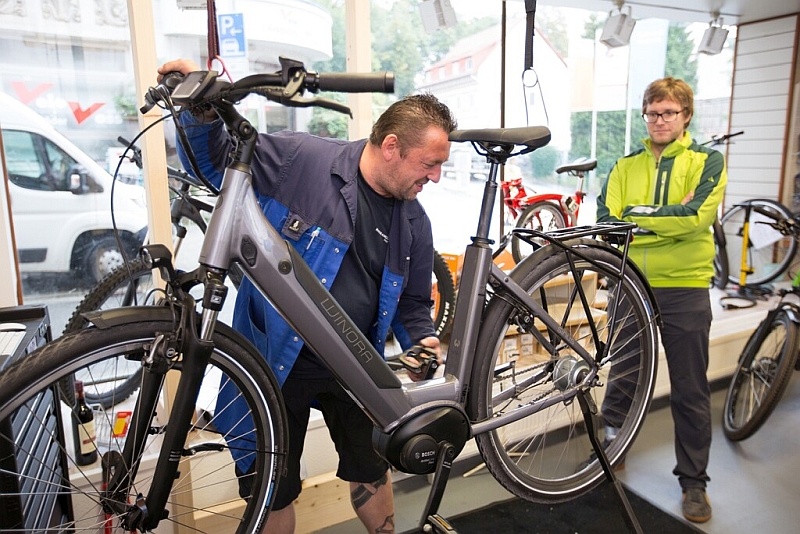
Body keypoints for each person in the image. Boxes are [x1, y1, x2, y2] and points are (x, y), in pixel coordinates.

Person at [157, 59, 457, 534]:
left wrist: (423, 342)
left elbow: (414, 305)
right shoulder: (301, 161)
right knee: (272, 490)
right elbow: (215, 166)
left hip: (355, 366)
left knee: (372, 473)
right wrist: (198, 109)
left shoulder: (414, 222)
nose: (436, 177)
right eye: (430, 164)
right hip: (273, 363)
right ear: (393, 147)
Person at [596, 76, 726, 524]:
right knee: (624, 375)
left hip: (685, 284)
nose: (659, 120)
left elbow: (696, 217)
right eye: (652, 112)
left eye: (668, 112)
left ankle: (694, 483)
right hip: (630, 280)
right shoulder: (624, 165)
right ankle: (613, 447)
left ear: (686, 116)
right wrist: (656, 218)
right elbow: (608, 222)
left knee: (690, 388)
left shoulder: (707, 160)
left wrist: (640, 218)